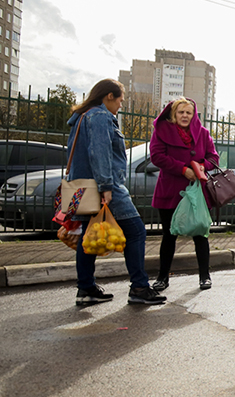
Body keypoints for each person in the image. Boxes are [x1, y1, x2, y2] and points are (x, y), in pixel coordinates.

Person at [67, 79, 166, 306]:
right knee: (136, 231)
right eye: (120, 99)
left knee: (87, 235)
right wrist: (106, 187)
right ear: (108, 96)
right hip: (103, 185)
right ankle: (139, 288)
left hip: (81, 186)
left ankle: (86, 289)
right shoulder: (100, 116)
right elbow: (99, 154)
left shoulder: (81, 117)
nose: (121, 104)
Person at [149, 97, 219, 291]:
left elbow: (214, 157)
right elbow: (156, 156)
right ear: (174, 114)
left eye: (189, 112)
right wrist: (182, 169)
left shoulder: (203, 134)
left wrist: (202, 167)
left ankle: (205, 276)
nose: (185, 116)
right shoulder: (162, 131)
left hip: (197, 192)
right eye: (181, 112)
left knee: (201, 234)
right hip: (170, 190)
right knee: (169, 235)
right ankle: (162, 277)